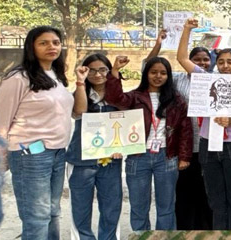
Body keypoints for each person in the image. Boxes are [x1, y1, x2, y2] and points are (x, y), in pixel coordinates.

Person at [177, 18, 231, 230]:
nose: (225, 66)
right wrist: (187, 29)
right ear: (216, 63)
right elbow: (182, 58)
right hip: (208, 145)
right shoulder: (205, 79)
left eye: (230, 62)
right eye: (221, 62)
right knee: (215, 200)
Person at [0, 26, 73, 239]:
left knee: (53, 212)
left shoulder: (55, 75)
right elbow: (1, 121)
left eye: (56, 42)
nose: (51, 46)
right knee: (37, 217)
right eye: (44, 43)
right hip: (29, 154)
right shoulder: (18, 78)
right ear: (31, 47)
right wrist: (0, 159)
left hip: (57, 152)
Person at [104, 55, 192, 231]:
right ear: (146, 74)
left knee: (166, 207)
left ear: (168, 77)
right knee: (138, 207)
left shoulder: (176, 100)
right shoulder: (134, 97)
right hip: (138, 156)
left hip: (167, 157)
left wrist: (184, 157)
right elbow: (114, 98)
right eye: (153, 72)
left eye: (163, 73)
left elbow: (185, 130)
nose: (158, 76)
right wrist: (115, 71)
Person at [146, 29, 213, 230]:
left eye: (205, 60)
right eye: (197, 59)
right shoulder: (176, 80)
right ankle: (185, 229)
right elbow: (147, 67)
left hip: (209, 144)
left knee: (206, 191)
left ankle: (206, 230)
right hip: (184, 147)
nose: (201, 63)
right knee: (184, 190)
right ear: (189, 62)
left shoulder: (215, 80)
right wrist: (158, 44)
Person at [66, 53, 123, 240]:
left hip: (111, 161)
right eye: (92, 70)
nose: (98, 74)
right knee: (80, 209)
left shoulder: (118, 95)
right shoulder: (80, 93)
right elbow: (80, 111)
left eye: (103, 69)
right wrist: (80, 82)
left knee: (111, 208)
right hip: (81, 160)